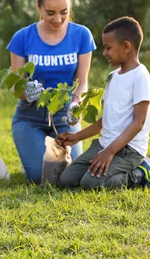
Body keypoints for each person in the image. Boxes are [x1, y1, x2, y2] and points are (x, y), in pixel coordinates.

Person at [7, 0, 96, 184]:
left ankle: (45, 152)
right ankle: (34, 154)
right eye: (50, 13)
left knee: (69, 175)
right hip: (29, 117)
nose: (58, 19)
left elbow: (82, 81)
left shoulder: (81, 35)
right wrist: (27, 91)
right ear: (38, 7)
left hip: (64, 117)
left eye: (64, 12)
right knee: (42, 177)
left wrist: (76, 104)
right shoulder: (22, 37)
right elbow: (15, 85)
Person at [57, 17, 150, 188]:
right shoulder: (112, 77)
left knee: (90, 183)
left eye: (108, 48)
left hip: (129, 151)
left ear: (126, 47)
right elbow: (104, 121)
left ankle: (140, 173)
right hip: (105, 144)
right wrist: (76, 137)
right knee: (66, 180)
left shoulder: (141, 76)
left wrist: (110, 152)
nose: (104, 53)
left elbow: (138, 123)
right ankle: (109, 164)